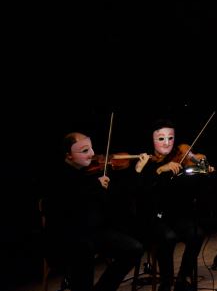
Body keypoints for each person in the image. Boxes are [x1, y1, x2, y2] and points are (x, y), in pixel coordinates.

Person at [44, 132, 144, 291]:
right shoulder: (57, 176)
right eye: (85, 150)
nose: (92, 154)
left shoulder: (89, 173)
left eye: (91, 148)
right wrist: (95, 187)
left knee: (134, 248)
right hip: (68, 236)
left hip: (93, 231)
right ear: (69, 155)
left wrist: (135, 171)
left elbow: (112, 200)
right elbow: (64, 207)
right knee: (83, 250)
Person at [133, 120, 207, 291]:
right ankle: (166, 283)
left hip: (173, 216)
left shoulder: (178, 159)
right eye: (161, 138)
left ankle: (181, 279)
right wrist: (160, 170)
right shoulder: (144, 163)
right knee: (168, 237)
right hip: (151, 218)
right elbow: (141, 197)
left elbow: (195, 178)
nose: (167, 143)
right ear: (152, 140)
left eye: (170, 138)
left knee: (197, 233)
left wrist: (197, 167)